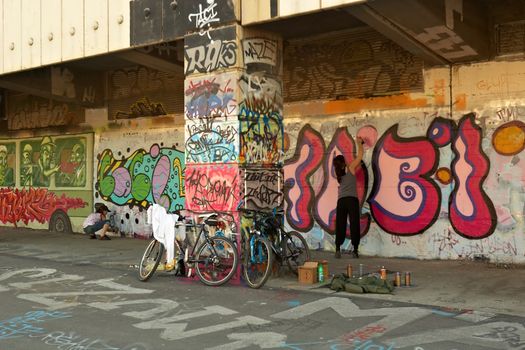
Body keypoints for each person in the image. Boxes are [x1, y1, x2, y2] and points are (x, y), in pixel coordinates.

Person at [333, 136, 364, 259]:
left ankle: (337, 249)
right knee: (354, 224)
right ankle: (355, 250)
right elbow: (360, 156)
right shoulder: (350, 168)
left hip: (341, 201)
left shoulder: (339, 174)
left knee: (340, 224)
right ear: (343, 162)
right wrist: (359, 143)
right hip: (352, 200)